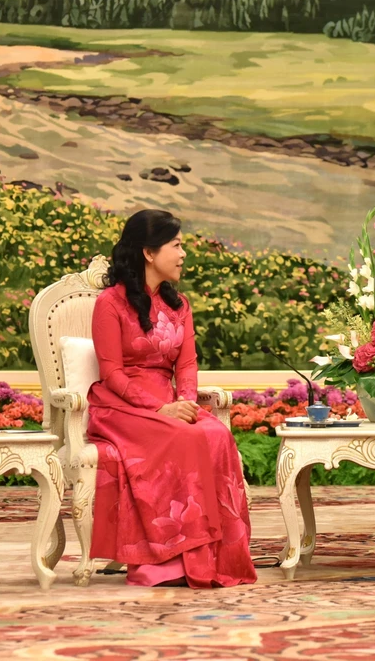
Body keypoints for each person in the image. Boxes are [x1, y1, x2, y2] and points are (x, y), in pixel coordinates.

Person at [86, 209, 256, 588]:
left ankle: (214, 558)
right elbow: (111, 373)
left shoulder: (179, 305)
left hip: (170, 402)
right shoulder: (110, 305)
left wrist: (189, 404)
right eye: (176, 245)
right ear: (149, 252)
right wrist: (160, 408)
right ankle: (165, 564)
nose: (183, 254)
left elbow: (188, 364)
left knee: (214, 435)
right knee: (184, 436)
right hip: (122, 406)